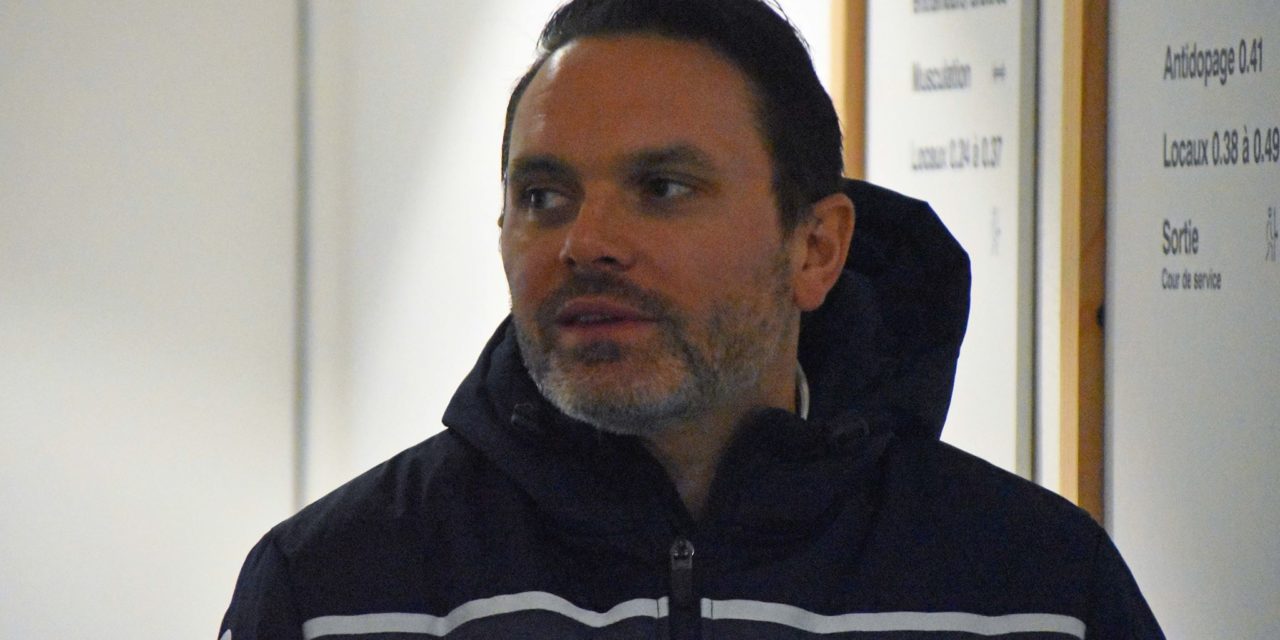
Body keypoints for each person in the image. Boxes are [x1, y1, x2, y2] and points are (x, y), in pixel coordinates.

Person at [221, 1, 1164, 638]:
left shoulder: (1033, 592)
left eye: (664, 188)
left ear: (816, 248)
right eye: (543, 196)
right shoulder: (336, 591)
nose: (587, 243)